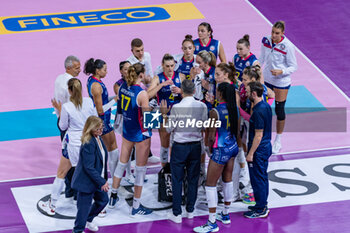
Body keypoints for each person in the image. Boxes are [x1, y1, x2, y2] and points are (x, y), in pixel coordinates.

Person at [39, 78, 97, 215]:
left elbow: (62, 126)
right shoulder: (89, 102)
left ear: (70, 91)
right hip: (88, 143)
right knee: (92, 174)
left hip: (73, 145)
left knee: (61, 174)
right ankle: (99, 207)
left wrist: (60, 110)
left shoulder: (66, 107)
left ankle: (52, 205)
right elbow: (94, 120)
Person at [160, 79, 208, 223]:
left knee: (177, 179)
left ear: (182, 92)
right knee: (193, 179)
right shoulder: (202, 106)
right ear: (194, 91)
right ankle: (190, 211)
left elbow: (168, 129)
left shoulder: (176, 108)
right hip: (195, 147)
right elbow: (205, 126)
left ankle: (177, 214)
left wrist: (164, 115)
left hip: (180, 147)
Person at [194, 82, 239, 233]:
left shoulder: (215, 111)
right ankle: (225, 214)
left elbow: (211, 136)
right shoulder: (235, 109)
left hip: (220, 150)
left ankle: (212, 222)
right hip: (232, 148)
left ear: (221, 94)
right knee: (227, 180)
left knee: (210, 185)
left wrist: (208, 149)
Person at [109, 63, 153, 215]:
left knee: (122, 164)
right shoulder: (142, 94)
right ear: (141, 75)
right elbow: (148, 120)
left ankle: (113, 197)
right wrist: (161, 113)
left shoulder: (122, 88)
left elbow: (121, 109)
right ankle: (136, 207)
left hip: (127, 130)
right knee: (140, 170)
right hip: (140, 134)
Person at [84, 58, 119, 214]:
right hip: (102, 122)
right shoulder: (97, 86)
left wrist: (111, 99)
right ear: (97, 70)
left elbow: (103, 101)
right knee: (111, 151)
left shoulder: (92, 80)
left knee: (110, 151)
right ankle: (110, 182)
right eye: (104, 69)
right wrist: (116, 100)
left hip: (102, 122)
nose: (106, 71)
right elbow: (100, 109)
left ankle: (112, 179)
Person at [260, 21, 297, 154]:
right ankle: (263, 136)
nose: (273, 35)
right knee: (263, 107)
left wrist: (281, 72)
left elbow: (294, 66)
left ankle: (278, 140)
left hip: (281, 81)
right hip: (267, 79)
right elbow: (262, 58)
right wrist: (257, 68)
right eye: (272, 32)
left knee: (279, 109)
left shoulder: (288, 46)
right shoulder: (266, 40)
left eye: (277, 33)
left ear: (282, 34)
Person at [72, 116, 109, 232]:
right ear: (91, 129)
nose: (100, 131)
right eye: (97, 129)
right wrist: (102, 181)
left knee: (103, 200)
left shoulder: (98, 138)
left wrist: (102, 179)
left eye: (101, 128)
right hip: (87, 182)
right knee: (83, 209)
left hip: (97, 179)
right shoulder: (89, 142)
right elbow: (88, 167)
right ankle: (78, 230)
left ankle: (89, 219)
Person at [148, 54, 185, 166]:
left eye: (172, 66)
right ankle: (164, 169)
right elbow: (148, 94)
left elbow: (189, 96)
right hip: (163, 114)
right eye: (167, 66)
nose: (170, 69)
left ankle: (176, 168)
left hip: (178, 115)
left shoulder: (181, 76)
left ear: (175, 65)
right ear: (162, 65)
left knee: (177, 143)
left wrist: (181, 91)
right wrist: (161, 85)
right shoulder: (157, 78)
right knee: (164, 143)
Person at [53, 55, 81, 202]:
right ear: (68, 67)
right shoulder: (71, 85)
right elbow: (74, 107)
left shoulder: (58, 78)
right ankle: (76, 192)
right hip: (71, 124)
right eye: (77, 68)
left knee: (67, 156)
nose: (80, 70)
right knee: (73, 158)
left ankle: (70, 190)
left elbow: (56, 101)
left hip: (61, 119)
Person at [243, 81, 272, 218]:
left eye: (248, 92)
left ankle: (261, 209)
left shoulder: (258, 111)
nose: (247, 94)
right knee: (262, 177)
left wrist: (251, 154)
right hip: (265, 148)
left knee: (258, 179)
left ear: (254, 94)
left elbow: (258, 135)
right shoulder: (265, 106)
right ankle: (262, 204)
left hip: (259, 150)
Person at [127, 38, 158, 163]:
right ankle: (135, 155)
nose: (141, 53)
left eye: (142, 50)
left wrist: (149, 82)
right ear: (132, 51)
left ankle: (148, 154)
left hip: (148, 93)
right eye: (137, 51)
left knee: (148, 125)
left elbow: (149, 74)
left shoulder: (147, 56)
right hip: (138, 96)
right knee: (138, 125)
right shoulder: (129, 62)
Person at [113, 61, 135, 187]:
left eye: (130, 68)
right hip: (124, 117)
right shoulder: (118, 85)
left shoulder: (134, 82)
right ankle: (128, 174)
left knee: (134, 147)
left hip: (134, 118)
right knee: (127, 146)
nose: (128, 71)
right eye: (125, 69)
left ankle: (132, 172)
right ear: (121, 71)